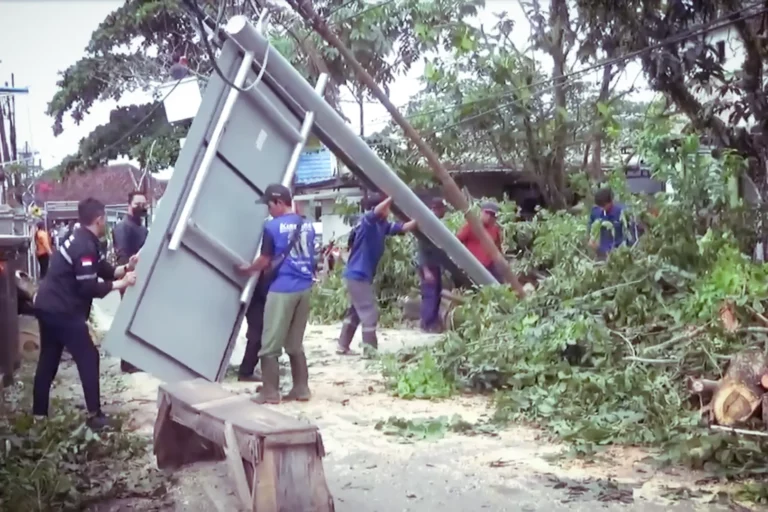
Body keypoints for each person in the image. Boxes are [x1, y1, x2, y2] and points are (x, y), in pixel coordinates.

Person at [32, 198, 138, 430]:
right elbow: (88, 287)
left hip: (48, 305)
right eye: (104, 220)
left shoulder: (84, 240)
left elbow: (105, 270)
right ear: (99, 220)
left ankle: (38, 415)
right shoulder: (84, 246)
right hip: (62, 310)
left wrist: (127, 267)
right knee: (88, 356)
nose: (106, 224)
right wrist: (122, 284)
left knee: (49, 359)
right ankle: (95, 416)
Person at [236, 184, 316, 404]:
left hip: (282, 289)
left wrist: (247, 269)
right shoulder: (306, 224)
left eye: (269, 205)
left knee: (269, 343)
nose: (268, 210)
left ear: (279, 202)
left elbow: (265, 260)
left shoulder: (272, 227)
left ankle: (270, 391)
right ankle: (301, 388)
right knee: (295, 343)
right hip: (304, 288)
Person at [337, 195, 417, 356]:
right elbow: (376, 211)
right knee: (369, 312)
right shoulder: (367, 222)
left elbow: (402, 228)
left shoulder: (382, 225)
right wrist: (392, 195)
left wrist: (422, 219)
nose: (389, 211)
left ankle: (342, 345)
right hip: (357, 274)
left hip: (361, 275)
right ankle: (370, 351)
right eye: (387, 208)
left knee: (355, 312)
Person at [112, 191, 149, 374]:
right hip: (128, 278)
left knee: (139, 320)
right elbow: (122, 256)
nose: (142, 207)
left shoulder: (143, 229)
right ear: (129, 205)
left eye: (144, 204)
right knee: (128, 319)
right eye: (138, 203)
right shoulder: (122, 228)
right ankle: (126, 362)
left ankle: (135, 359)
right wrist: (126, 278)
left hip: (142, 279)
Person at [418, 198, 447, 333]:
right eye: (443, 209)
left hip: (435, 265)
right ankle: (427, 324)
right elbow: (421, 249)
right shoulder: (427, 225)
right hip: (428, 266)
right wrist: (425, 270)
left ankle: (432, 323)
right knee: (430, 295)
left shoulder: (435, 224)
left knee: (436, 294)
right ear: (438, 209)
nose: (445, 212)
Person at [588, 187, 639, 259]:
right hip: (602, 252)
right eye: (600, 206)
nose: (602, 208)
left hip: (618, 252)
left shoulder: (622, 212)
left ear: (610, 202)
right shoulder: (595, 212)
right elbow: (591, 227)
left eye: (604, 205)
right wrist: (592, 239)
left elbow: (630, 233)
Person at [457, 202, 503, 281]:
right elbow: (457, 241)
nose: (489, 217)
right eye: (486, 213)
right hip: (473, 265)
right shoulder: (470, 226)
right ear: (481, 213)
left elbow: (498, 247)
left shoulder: (495, 230)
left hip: (489, 267)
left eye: (492, 215)